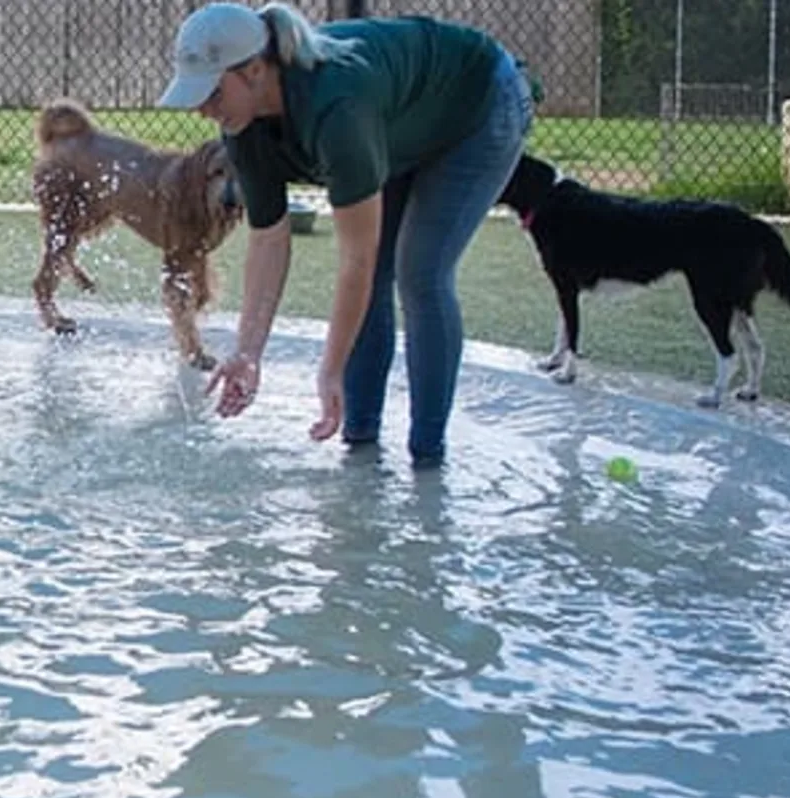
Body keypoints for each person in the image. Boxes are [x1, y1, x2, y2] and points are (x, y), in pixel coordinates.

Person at [157, 2, 535, 468]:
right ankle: (360, 445)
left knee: (420, 271)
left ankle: (427, 459)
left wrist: (331, 369)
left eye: (212, 93)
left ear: (255, 70)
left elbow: (355, 257)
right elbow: (268, 240)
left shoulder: (338, 108)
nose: (201, 109)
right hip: (399, 125)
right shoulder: (243, 126)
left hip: (479, 104)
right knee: (377, 275)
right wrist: (248, 352)